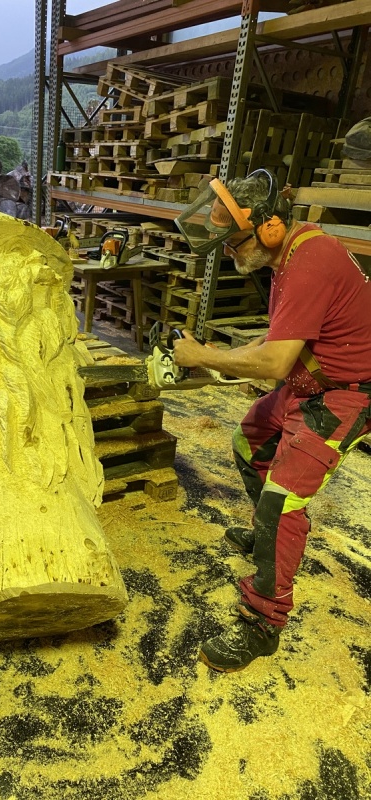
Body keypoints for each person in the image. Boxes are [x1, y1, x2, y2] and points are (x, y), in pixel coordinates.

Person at [173, 168, 371, 673]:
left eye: (233, 243)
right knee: (249, 443)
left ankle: (263, 623)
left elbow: (277, 361)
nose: (228, 253)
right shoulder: (291, 255)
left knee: (281, 504)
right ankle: (270, 539)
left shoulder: (310, 261)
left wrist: (203, 357)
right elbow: (280, 337)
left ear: (269, 228)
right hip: (310, 382)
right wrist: (223, 356)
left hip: (344, 395)